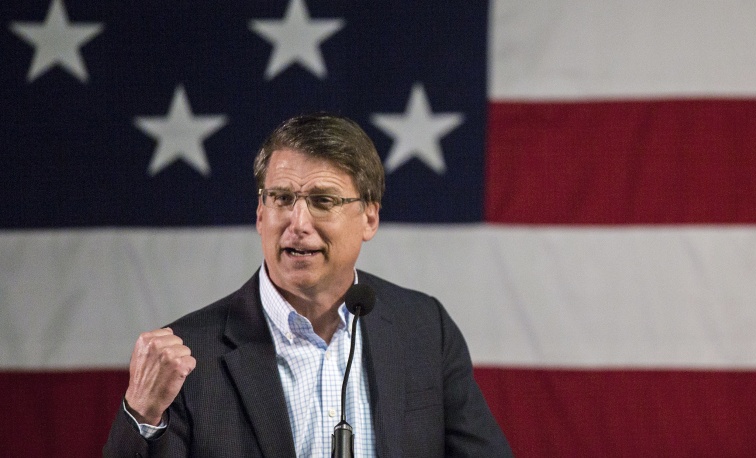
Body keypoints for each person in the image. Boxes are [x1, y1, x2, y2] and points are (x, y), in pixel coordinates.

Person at [104, 113, 512, 457]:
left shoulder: (423, 327)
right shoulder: (189, 354)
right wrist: (141, 416)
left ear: (369, 217)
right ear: (261, 214)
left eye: (323, 200)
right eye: (281, 198)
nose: (297, 224)